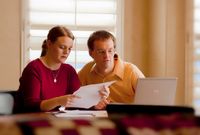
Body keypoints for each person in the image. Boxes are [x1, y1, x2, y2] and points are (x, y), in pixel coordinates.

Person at [14, 26, 81, 113]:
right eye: (62, 47)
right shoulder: (34, 68)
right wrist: (58, 101)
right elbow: (32, 106)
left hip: (58, 121)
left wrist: (96, 103)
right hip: (32, 121)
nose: (66, 52)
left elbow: (78, 101)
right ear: (49, 44)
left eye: (69, 48)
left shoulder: (69, 71)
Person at [78, 30, 145, 106]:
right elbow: (73, 99)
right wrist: (92, 105)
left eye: (110, 51)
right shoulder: (86, 70)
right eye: (101, 52)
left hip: (126, 116)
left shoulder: (131, 71)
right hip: (96, 116)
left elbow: (148, 99)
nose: (107, 56)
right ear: (91, 53)